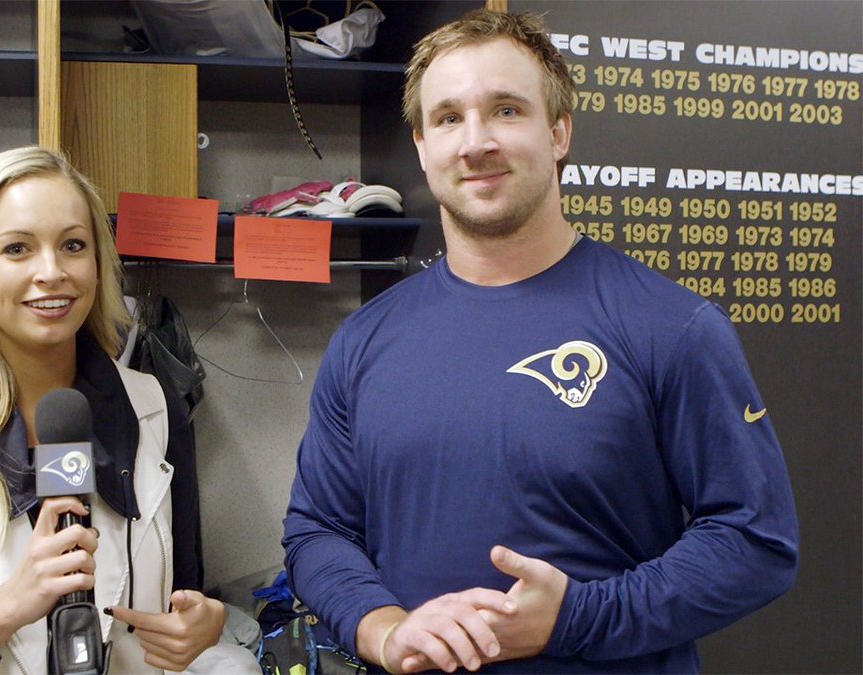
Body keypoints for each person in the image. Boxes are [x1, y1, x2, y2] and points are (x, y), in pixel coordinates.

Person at [282, 10, 798, 674]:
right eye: (448, 118)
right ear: (422, 145)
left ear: (558, 132)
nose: (475, 143)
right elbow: (317, 530)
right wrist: (387, 630)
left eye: (506, 110)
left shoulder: (671, 327)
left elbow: (755, 540)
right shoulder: (363, 341)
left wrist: (576, 617)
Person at [0, 146, 257, 674]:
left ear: (97, 265)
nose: (52, 272)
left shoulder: (155, 411)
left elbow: (183, 593)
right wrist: (7, 606)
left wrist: (202, 625)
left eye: (73, 245)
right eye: (17, 249)